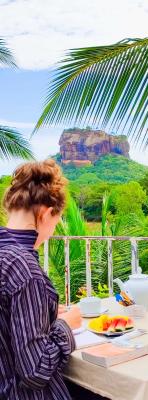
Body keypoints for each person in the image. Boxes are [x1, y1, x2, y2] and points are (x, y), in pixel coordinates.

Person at [0, 159, 82, 400]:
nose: (54, 230)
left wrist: (45, 314)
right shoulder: (24, 269)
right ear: (47, 214)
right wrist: (66, 323)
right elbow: (35, 370)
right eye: (57, 222)